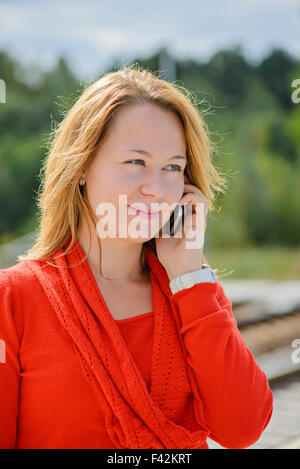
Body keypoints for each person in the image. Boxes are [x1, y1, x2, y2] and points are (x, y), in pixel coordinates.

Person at [0, 65, 273, 449]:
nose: (157, 189)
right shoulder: (12, 299)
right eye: (136, 162)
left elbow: (243, 428)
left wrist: (188, 276)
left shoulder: (192, 290)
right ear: (81, 166)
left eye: (172, 168)